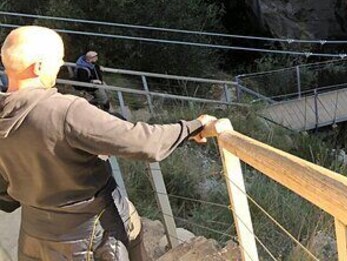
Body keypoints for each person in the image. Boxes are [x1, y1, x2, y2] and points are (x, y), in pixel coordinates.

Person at [0, 25, 217, 260]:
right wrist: (193, 127)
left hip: (34, 235)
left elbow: (5, 192)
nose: (61, 66)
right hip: (91, 235)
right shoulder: (65, 111)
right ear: (38, 66)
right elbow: (143, 142)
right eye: (58, 60)